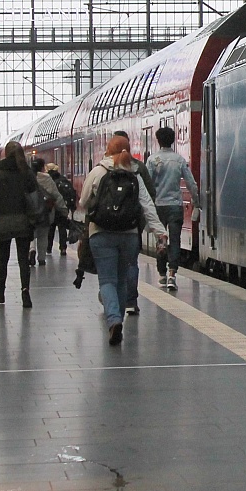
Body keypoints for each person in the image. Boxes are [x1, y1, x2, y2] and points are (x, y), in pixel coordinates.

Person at [79, 136, 163, 344]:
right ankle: (120, 319)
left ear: (107, 151)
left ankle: (114, 320)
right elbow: (147, 205)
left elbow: (83, 201)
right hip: (129, 235)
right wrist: (160, 233)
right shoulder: (134, 175)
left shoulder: (98, 171)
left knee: (107, 280)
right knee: (122, 277)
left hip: (101, 233)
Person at [0, 141, 38, 307]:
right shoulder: (26, 172)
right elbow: (34, 195)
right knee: (23, 259)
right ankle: (25, 292)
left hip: (2, 222)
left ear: (5, 154)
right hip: (23, 221)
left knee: (3, 258)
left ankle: (1, 291)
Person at [146, 126, 200, 291]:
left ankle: (161, 274)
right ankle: (172, 274)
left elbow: (147, 184)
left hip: (158, 206)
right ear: (173, 140)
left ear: (158, 140)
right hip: (175, 206)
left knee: (161, 240)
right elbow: (191, 183)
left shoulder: (152, 160)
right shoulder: (179, 160)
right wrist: (196, 201)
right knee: (175, 240)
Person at [114, 130, 157, 315]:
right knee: (131, 262)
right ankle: (130, 300)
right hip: (133, 223)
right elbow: (150, 194)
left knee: (110, 263)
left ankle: (112, 298)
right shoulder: (138, 167)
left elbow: (87, 199)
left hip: (107, 224)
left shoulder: (103, 167)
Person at [31, 158, 69, 264]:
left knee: (31, 233)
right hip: (45, 212)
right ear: (43, 167)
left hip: (30, 212)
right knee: (43, 235)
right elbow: (56, 195)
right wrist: (63, 209)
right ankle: (42, 258)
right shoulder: (47, 178)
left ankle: (31, 250)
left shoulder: (27, 177)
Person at [46, 163, 79, 255]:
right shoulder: (64, 180)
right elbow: (72, 193)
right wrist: (72, 207)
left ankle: (48, 248)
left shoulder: (48, 180)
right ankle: (63, 248)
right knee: (62, 228)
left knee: (51, 228)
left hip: (52, 208)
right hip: (63, 208)